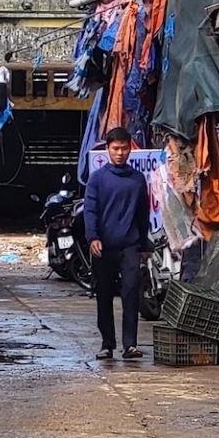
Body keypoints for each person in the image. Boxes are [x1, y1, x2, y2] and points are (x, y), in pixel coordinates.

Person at [83, 126, 148, 361]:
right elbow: (90, 210)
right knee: (104, 295)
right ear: (107, 150)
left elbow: (143, 213)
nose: (120, 153)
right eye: (115, 149)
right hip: (104, 247)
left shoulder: (138, 179)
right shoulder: (97, 179)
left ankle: (130, 344)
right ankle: (107, 344)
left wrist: (144, 246)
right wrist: (93, 237)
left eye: (124, 148)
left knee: (131, 293)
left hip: (130, 246)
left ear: (130, 149)